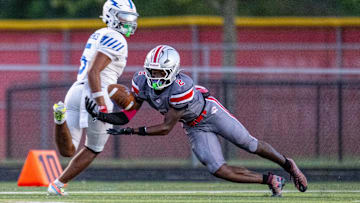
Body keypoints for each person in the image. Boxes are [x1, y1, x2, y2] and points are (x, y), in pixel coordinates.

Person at [86, 45, 308, 197]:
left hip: (210, 113)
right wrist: (102, 116)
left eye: (159, 72)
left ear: (172, 71)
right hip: (193, 125)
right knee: (218, 169)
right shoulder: (141, 82)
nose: (153, 77)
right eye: (151, 71)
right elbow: (128, 113)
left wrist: (132, 132)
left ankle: (287, 164)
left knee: (249, 144)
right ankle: (270, 180)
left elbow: (165, 128)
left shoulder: (181, 87)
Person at [48, 0, 139, 196]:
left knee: (69, 150)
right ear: (111, 16)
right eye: (125, 17)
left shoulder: (99, 33)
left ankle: (59, 119)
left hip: (75, 91)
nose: (130, 22)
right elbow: (94, 71)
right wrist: (101, 103)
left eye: (132, 17)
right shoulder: (117, 38)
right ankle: (57, 185)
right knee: (94, 147)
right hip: (97, 92)